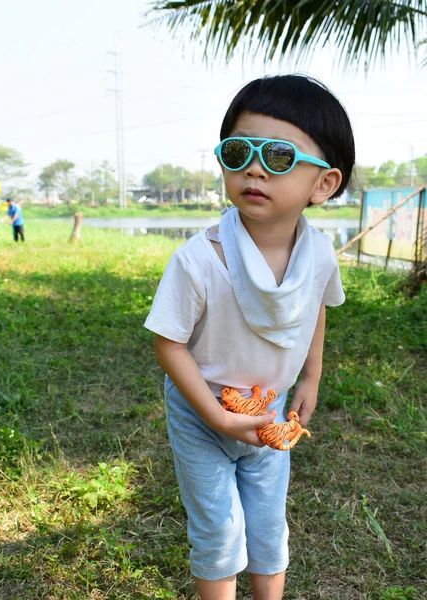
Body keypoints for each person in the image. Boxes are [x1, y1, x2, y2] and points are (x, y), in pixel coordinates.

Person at [144, 74, 355, 600]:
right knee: (218, 529)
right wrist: (215, 415)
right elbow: (169, 343)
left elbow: (315, 311)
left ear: (323, 184)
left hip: (272, 411)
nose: (254, 168)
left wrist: (312, 376)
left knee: (266, 523)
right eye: (238, 151)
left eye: (279, 157)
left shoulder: (321, 255)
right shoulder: (200, 259)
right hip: (203, 413)